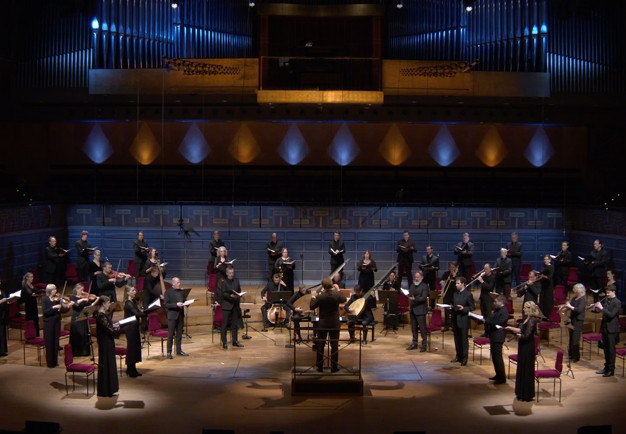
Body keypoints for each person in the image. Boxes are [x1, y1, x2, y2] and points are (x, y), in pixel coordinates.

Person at [506, 301, 542, 402]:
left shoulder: (532, 320)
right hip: (523, 346)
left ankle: (526, 394)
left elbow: (527, 335)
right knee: (522, 368)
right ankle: (521, 393)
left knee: (526, 369)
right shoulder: (527, 319)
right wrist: (510, 328)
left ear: (530, 309)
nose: (523, 309)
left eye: (525, 308)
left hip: (528, 347)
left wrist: (519, 336)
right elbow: (522, 330)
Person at [310, 278, 346, 372]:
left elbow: (312, 306)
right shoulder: (336, 295)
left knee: (320, 346)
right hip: (334, 324)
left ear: (323, 286)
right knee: (334, 346)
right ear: (332, 285)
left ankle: (320, 367)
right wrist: (338, 290)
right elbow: (344, 299)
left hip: (323, 324)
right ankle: (334, 367)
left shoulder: (320, 297)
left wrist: (313, 296)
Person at [592, 285, 622, 377]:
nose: (607, 294)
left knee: (611, 349)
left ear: (614, 292)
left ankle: (611, 370)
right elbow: (601, 310)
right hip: (605, 327)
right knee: (605, 349)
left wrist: (601, 308)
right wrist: (594, 308)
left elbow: (611, 314)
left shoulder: (617, 302)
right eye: (606, 293)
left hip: (612, 329)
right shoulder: (606, 300)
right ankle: (606, 368)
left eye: (609, 293)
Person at [94, 296, 120, 397]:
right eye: (108, 303)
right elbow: (110, 331)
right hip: (105, 343)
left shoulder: (103, 315)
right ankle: (105, 389)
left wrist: (113, 326)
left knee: (108, 364)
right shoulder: (101, 316)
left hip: (106, 342)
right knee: (106, 364)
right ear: (103, 304)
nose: (109, 304)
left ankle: (108, 389)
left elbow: (108, 328)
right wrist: (118, 328)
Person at [42, 284, 73, 368]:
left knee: (56, 342)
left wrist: (68, 306)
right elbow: (45, 312)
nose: (55, 291)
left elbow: (63, 310)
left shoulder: (57, 300)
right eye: (53, 290)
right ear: (49, 291)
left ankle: (55, 361)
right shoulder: (45, 299)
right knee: (49, 342)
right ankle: (50, 363)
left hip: (56, 323)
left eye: (55, 289)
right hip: (48, 323)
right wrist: (54, 307)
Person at [483, 295, 509, 384]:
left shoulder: (504, 312)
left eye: (495, 301)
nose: (494, 303)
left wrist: (487, 321)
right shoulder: (497, 310)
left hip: (498, 336)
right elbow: (491, 319)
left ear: (501, 302)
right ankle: (498, 374)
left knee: (498, 358)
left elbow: (498, 323)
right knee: (494, 357)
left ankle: (502, 377)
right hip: (494, 336)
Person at [559, 283, 586, 363]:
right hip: (572, 319)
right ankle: (571, 354)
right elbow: (570, 305)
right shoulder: (574, 297)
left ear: (580, 291)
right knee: (571, 337)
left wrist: (570, 307)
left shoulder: (582, 299)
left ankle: (576, 356)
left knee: (575, 338)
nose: (575, 292)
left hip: (578, 321)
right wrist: (564, 307)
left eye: (576, 291)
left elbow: (579, 310)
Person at [451, 277, 474, 366]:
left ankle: (464, 358)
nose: (456, 285)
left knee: (464, 340)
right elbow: (453, 305)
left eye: (458, 283)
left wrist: (464, 308)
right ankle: (458, 356)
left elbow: (472, 307)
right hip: (455, 319)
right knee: (457, 340)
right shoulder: (455, 294)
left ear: (463, 284)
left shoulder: (468, 294)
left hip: (463, 320)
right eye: (456, 283)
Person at [69, 283, 96, 357]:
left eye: (83, 290)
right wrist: (83, 299)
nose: (82, 291)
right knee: (78, 334)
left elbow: (90, 303)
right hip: (76, 317)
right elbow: (75, 305)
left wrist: (91, 298)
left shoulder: (84, 297)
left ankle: (84, 351)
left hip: (83, 317)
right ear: (77, 289)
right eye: (81, 290)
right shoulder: (73, 297)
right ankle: (76, 352)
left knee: (84, 333)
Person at [220, 266, 244, 349]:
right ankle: (224, 342)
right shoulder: (224, 282)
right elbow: (223, 294)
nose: (231, 274)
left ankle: (235, 341)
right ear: (227, 273)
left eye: (232, 273)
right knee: (224, 325)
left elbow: (239, 290)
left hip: (235, 306)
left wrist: (239, 295)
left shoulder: (236, 281)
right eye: (230, 273)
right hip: (227, 306)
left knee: (234, 325)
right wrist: (231, 296)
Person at [123, 285, 145, 376]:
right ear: (128, 292)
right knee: (131, 348)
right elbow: (137, 313)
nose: (135, 292)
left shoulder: (133, 301)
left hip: (134, 326)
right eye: (132, 290)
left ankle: (133, 369)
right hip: (130, 328)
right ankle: (130, 369)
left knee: (135, 347)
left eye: (134, 290)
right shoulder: (128, 303)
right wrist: (145, 312)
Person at [164, 277, 188, 359]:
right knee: (170, 335)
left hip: (180, 315)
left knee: (179, 334)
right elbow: (166, 304)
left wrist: (187, 303)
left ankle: (179, 350)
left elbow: (184, 300)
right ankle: (169, 352)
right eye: (177, 282)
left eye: (179, 282)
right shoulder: (168, 292)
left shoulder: (181, 291)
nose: (179, 284)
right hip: (172, 316)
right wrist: (176, 304)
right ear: (173, 283)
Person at [407, 271, 429, 352]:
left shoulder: (424, 286)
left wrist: (414, 299)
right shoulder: (412, 285)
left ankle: (424, 345)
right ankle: (414, 343)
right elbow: (410, 294)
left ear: (422, 277)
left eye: (418, 277)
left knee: (423, 329)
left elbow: (423, 298)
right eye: (415, 277)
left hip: (420, 310)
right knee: (413, 328)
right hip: (413, 309)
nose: (416, 279)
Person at [20, 271, 40, 336]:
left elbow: (37, 290)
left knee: (35, 320)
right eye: (31, 277)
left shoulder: (32, 285)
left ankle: (36, 334)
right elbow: (24, 297)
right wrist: (31, 295)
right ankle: (31, 334)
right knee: (30, 320)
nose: (32, 278)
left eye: (32, 277)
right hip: (29, 306)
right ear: (27, 278)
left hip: (34, 305)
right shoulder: (24, 287)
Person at [477, 264, 495, 335]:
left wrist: (482, 281)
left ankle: (490, 332)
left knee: (488, 316)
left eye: (487, 269)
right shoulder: (483, 277)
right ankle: (486, 331)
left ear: (490, 269)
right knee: (483, 316)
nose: (485, 270)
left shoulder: (493, 278)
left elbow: (489, 288)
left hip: (489, 299)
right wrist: (479, 277)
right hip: (482, 298)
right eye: (484, 269)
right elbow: (475, 283)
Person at [439, 262, 458, 331]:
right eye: (450, 267)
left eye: (453, 267)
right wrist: (442, 282)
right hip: (447, 294)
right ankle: (446, 326)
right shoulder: (446, 274)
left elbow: (459, 283)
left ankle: (453, 325)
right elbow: (441, 280)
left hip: (454, 295)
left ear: (456, 267)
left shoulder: (458, 275)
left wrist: (455, 276)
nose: (451, 268)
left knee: (453, 311)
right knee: (446, 311)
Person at [420, 245, 440, 310]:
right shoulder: (424, 257)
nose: (427, 251)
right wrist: (422, 267)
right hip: (425, 276)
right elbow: (420, 265)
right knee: (424, 291)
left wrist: (434, 268)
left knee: (432, 291)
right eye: (427, 250)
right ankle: (424, 305)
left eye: (429, 249)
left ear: (432, 250)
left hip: (432, 276)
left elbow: (438, 267)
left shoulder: (435, 258)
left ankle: (432, 306)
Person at [539, 255, 554, 320]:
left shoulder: (551, 267)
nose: (545, 260)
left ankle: (547, 316)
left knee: (547, 301)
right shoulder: (543, 266)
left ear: (550, 260)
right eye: (544, 259)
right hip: (543, 285)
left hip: (548, 286)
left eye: (547, 259)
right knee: (542, 300)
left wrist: (543, 276)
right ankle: (541, 315)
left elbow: (550, 277)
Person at [0, 278, 8, 357]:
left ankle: (3, 350)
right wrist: (1, 301)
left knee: (2, 333)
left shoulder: (2, 291)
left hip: (2, 314)